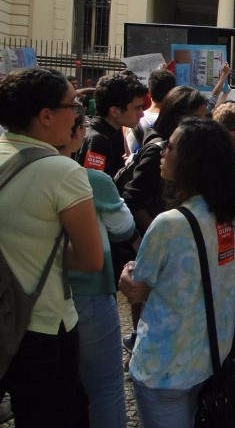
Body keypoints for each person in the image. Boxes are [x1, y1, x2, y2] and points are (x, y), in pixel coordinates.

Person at [119, 117, 235, 427]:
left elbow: (137, 287)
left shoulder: (170, 223)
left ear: (192, 162)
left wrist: (128, 278)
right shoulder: (226, 218)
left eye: (170, 147)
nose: (162, 151)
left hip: (165, 366)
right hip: (207, 358)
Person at [0, 68, 103, 426]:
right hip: (42, 324)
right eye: (73, 104)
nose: (78, 113)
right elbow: (91, 259)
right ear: (45, 115)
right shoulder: (62, 171)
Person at [61, 107, 135, 428]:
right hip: (89, 289)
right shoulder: (90, 179)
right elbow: (124, 227)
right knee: (105, 387)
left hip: (35, 294)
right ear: (74, 133)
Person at [121, 85, 208, 356]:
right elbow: (132, 197)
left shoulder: (191, 150)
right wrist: (156, 229)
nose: (204, 122)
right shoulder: (158, 148)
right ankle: (140, 346)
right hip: (156, 235)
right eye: (198, 116)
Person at [76, 73, 148, 178]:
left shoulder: (114, 131)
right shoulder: (97, 140)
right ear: (115, 111)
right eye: (137, 108)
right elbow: (97, 185)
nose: (142, 114)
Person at [125, 69, 176, 155]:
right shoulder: (177, 122)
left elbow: (127, 156)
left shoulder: (131, 120)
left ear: (149, 93)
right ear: (173, 93)